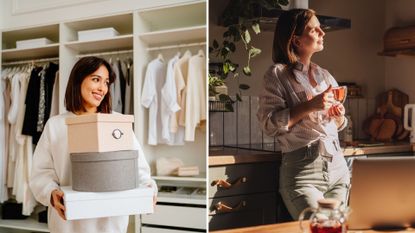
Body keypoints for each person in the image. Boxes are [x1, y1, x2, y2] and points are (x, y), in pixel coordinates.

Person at [29, 56, 157, 233]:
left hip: (110, 224)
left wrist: (148, 188)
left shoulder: (117, 122)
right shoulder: (56, 125)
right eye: (96, 80)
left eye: (106, 82)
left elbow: (139, 169)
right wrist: (51, 193)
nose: (102, 88)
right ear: (78, 80)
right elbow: (40, 173)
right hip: (69, 224)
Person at [257, 9, 350, 220]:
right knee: (318, 227)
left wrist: (339, 115)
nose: (322, 32)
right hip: (303, 173)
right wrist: (310, 105)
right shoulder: (277, 74)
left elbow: (340, 124)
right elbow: (269, 125)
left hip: (338, 169)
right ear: (296, 40)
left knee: (337, 230)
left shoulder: (325, 75)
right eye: (314, 29)